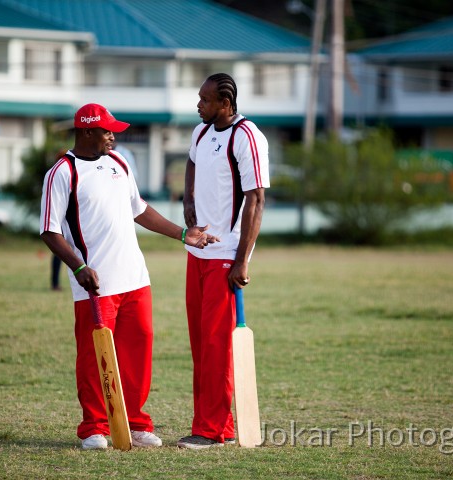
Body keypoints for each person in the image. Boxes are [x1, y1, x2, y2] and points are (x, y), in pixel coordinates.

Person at [40, 103, 218, 450]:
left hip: (135, 279)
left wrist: (184, 234)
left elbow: (141, 211)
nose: (113, 136)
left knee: (139, 352)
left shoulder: (119, 163)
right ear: (87, 131)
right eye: (107, 131)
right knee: (94, 358)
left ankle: (136, 422)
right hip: (95, 283)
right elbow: (49, 231)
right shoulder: (62, 172)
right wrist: (78, 268)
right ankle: (94, 427)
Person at [177, 73, 270, 449]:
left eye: (204, 99)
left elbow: (257, 199)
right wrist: (188, 205)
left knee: (217, 346)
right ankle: (215, 425)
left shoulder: (247, 136)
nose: (198, 104)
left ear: (225, 103)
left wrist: (242, 259)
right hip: (197, 252)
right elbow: (191, 164)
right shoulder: (200, 134)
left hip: (225, 257)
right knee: (201, 345)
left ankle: (213, 430)